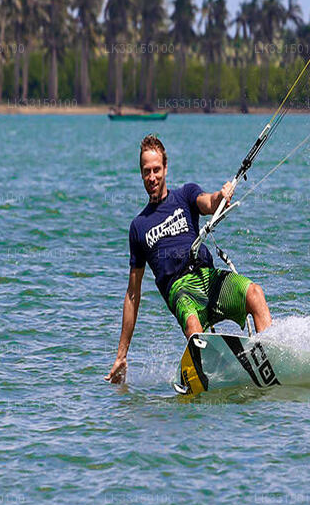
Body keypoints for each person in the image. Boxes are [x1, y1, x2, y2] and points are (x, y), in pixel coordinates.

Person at [106, 135, 272, 385]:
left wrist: (222, 196)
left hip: (208, 278)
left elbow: (210, 202)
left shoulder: (185, 195)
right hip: (181, 291)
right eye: (146, 171)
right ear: (141, 174)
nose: (152, 177)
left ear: (165, 168)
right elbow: (132, 294)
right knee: (194, 328)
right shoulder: (138, 226)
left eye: (156, 170)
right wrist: (121, 355)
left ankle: (271, 357)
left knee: (255, 293)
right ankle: (212, 375)